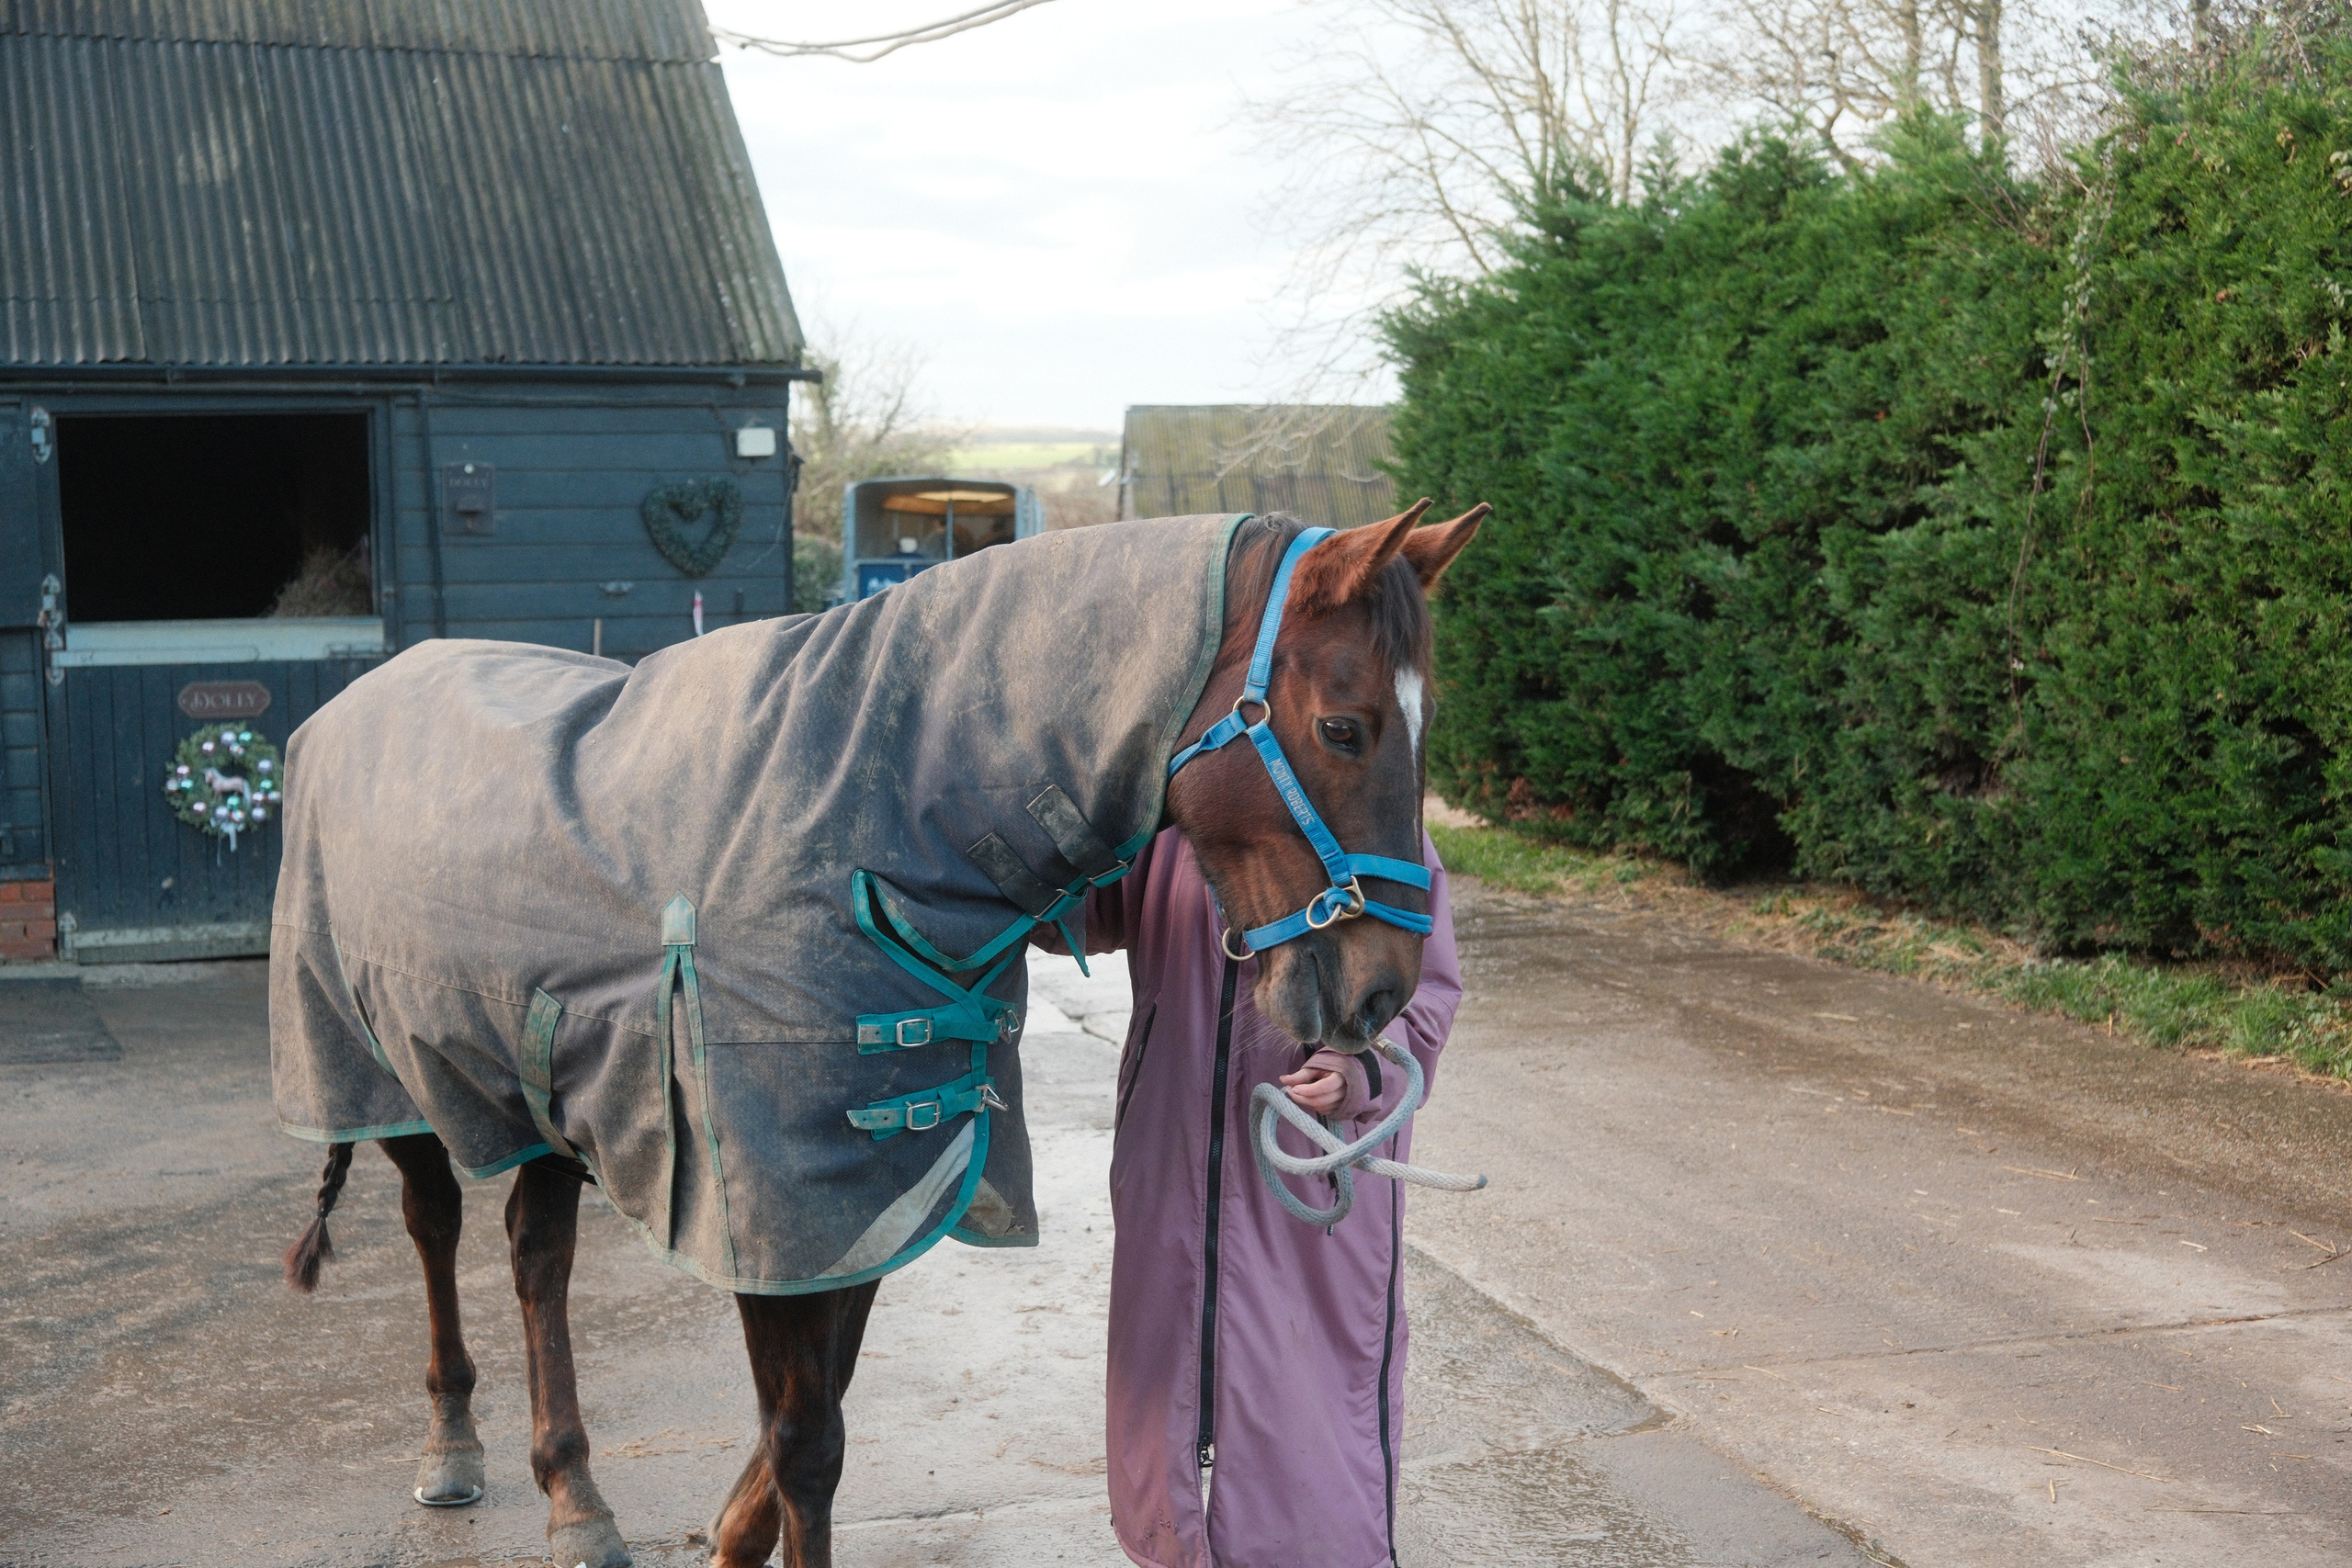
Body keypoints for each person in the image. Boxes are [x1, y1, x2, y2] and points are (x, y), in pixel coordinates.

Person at [1075, 827, 1462, 1568]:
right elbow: (1084, 907)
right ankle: (1174, 1544)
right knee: (1163, 1393)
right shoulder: (1170, 818)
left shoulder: (1373, 818)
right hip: (1168, 1165)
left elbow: (1427, 992)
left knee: (1310, 1412)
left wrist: (1360, 1067)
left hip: (1308, 1174)